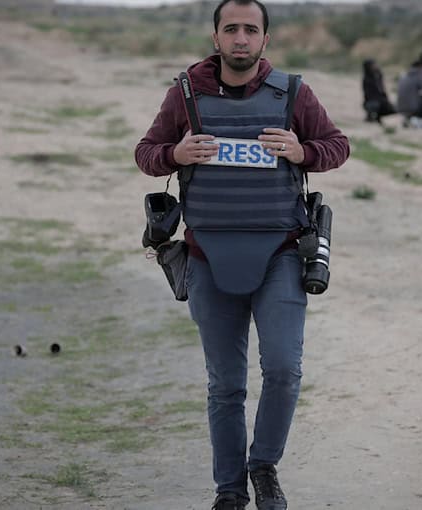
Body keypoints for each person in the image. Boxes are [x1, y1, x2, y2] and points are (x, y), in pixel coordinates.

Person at [134, 0, 349, 508]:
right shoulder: (185, 95)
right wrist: (174, 154)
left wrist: (303, 152)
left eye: (250, 30)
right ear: (215, 37)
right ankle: (228, 490)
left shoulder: (294, 93)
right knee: (225, 386)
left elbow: (337, 145)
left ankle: (263, 466)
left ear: (264, 40)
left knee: (283, 369)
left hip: (279, 253)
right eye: (230, 29)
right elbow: (146, 153)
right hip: (208, 253)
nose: (240, 38)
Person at [362, 58, 395, 124]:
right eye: (373, 65)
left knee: (392, 108)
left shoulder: (378, 76)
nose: (375, 66)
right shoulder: (367, 79)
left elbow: (382, 89)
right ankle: (370, 116)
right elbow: (368, 94)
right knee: (375, 105)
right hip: (371, 101)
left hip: (380, 99)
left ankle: (378, 117)